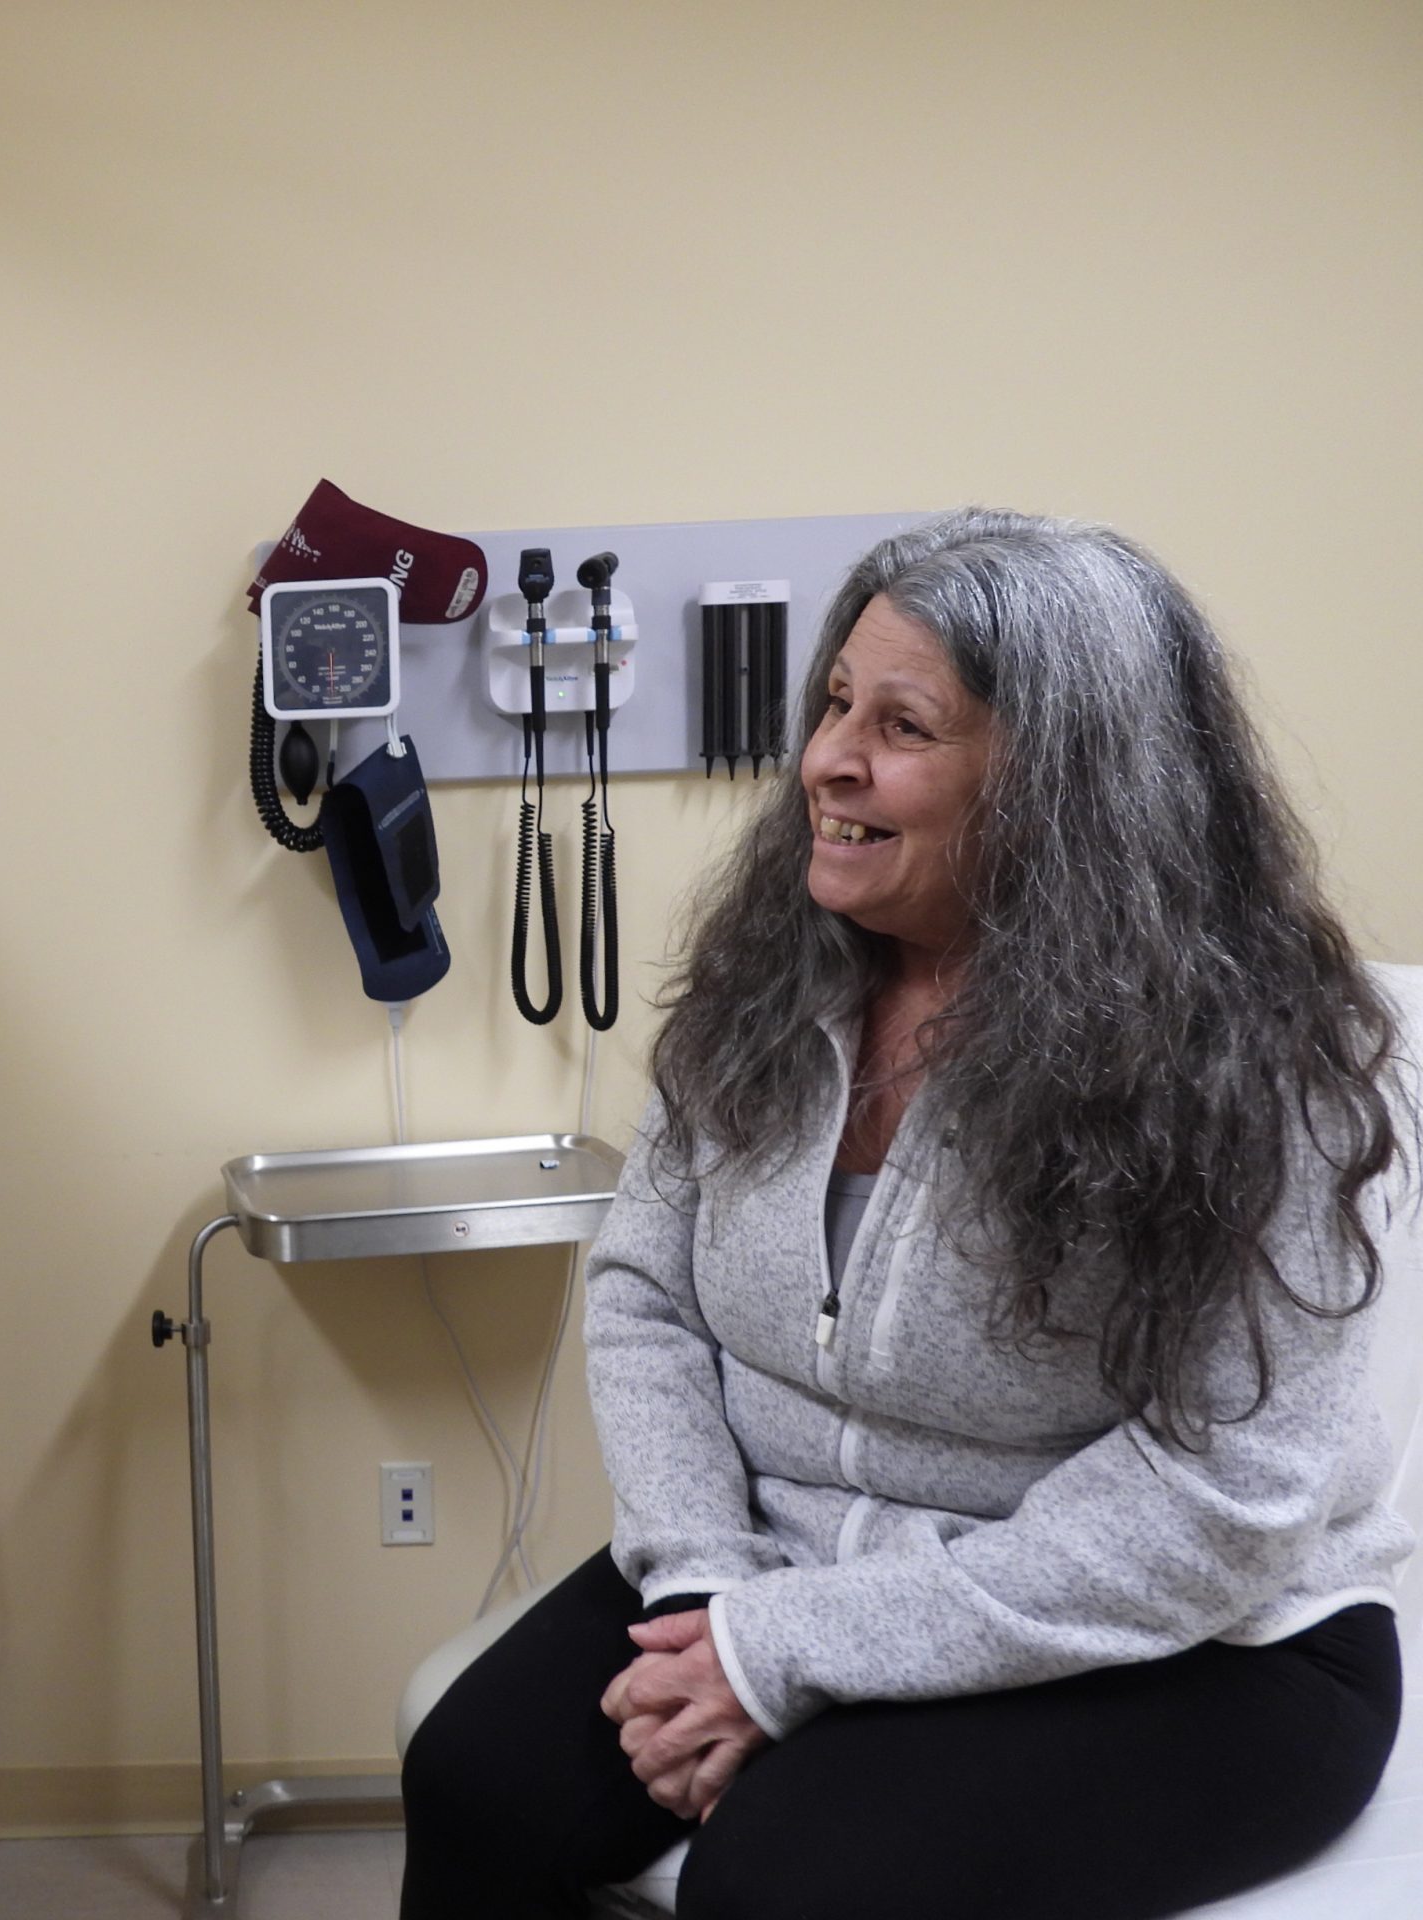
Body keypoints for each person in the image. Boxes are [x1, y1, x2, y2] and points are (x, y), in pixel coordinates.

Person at [400, 508, 1411, 1919]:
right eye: (832, 704)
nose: (825, 760)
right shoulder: (778, 979)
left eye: (904, 726)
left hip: (1203, 1640)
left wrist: (788, 1649)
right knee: (478, 1782)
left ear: (1067, 788)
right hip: (783, 1546)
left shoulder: (1259, 1066)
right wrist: (708, 1589)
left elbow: (1223, 1497)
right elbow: (644, 1295)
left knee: (793, 1880)